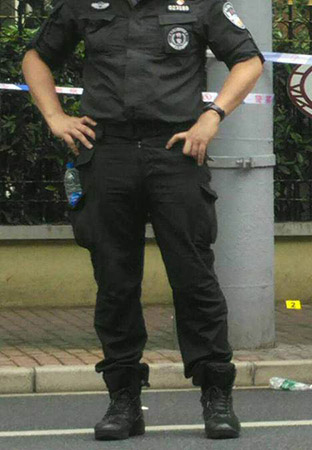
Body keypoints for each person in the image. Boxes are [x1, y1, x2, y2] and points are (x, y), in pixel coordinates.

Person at [22, 0, 264, 439]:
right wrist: (55, 116)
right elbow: (36, 56)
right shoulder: (84, 4)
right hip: (107, 151)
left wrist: (213, 116)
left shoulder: (201, 4)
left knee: (194, 278)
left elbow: (248, 60)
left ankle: (216, 396)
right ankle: (124, 400)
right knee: (115, 281)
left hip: (175, 151)